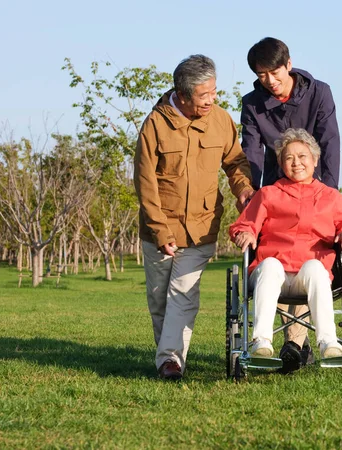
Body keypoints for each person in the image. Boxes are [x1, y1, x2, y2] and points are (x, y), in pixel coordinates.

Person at [134, 55, 254, 381]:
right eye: (205, 95)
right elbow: (145, 184)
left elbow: (236, 161)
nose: (212, 100)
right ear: (184, 96)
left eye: (214, 92)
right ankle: (167, 359)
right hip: (159, 228)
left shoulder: (220, 120)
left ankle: (171, 361)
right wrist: (160, 231)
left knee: (183, 295)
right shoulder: (155, 126)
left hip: (201, 227)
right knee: (159, 300)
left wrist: (242, 188)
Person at [240, 37, 341, 372]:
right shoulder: (253, 103)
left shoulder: (318, 93)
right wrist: (253, 194)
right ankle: (283, 344)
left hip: (315, 185)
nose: (269, 80)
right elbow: (252, 150)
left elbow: (329, 142)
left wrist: (323, 197)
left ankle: (294, 344)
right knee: (277, 256)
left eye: (274, 72)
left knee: (309, 256)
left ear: (289, 65)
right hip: (275, 187)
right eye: (261, 74)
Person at [229, 128, 342, 361]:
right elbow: (243, 225)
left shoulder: (330, 197)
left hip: (310, 276)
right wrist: (246, 233)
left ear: (314, 160)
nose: (296, 162)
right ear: (281, 164)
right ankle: (261, 342)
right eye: (289, 158)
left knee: (315, 267)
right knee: (271, 265)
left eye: (302, 156)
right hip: (272, 273)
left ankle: (328, 343)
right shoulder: (268, 194)